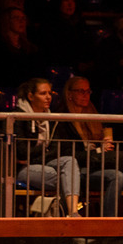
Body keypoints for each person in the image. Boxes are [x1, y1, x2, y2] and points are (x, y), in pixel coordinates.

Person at [59, 76, 123, 216]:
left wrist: (104, 146)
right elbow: (69, 154)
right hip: (78, 170)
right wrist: (99, 151)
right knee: (116, 176)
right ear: (69, 94)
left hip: (96, 165)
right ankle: (107, 224)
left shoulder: (92, 114)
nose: (86, 95)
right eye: (81, 91)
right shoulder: (63, 119)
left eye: (88, 91)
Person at [14, 78, 83, 217]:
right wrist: (44, 151)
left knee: (70, 161)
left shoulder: (51, 118)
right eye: (43, 93)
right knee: (69, 179)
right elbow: (21, 152)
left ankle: (73, 213)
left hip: (44, 164)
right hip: (23, 169)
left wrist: (40, 154)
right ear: (30, 96)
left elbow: (57, 148)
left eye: (50, 93)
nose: (48, 97)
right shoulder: (18, 118)